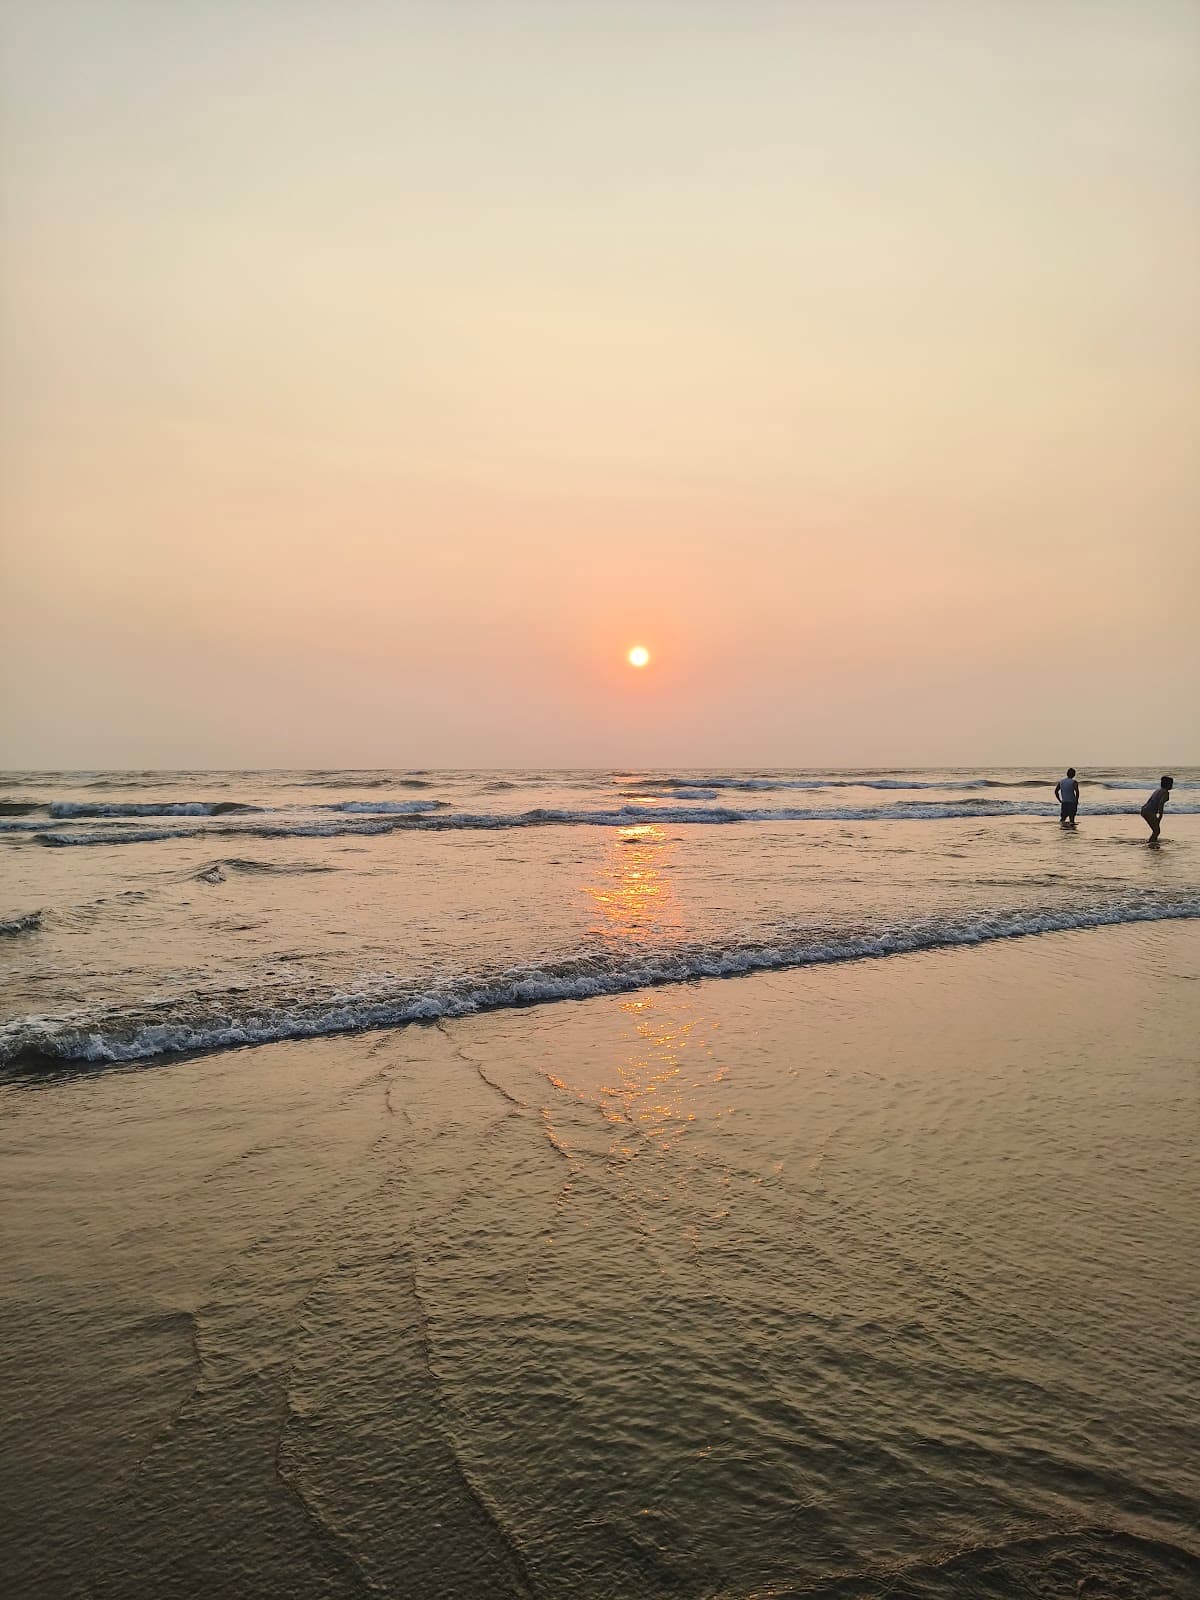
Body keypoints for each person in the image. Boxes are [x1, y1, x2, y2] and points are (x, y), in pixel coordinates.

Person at [1140, 775, 1173, 842]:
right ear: (1168, 785)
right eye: (1171, 784)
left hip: (1144, 809)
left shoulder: (1158, 790)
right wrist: (1160, 815)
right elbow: (1161, 803)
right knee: (1156, 831)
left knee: (1155, 830)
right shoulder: (1165, 792)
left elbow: (1150, 800)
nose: (1172, 785)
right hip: (1150, 811)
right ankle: (1151, 843)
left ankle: (1153, 842)